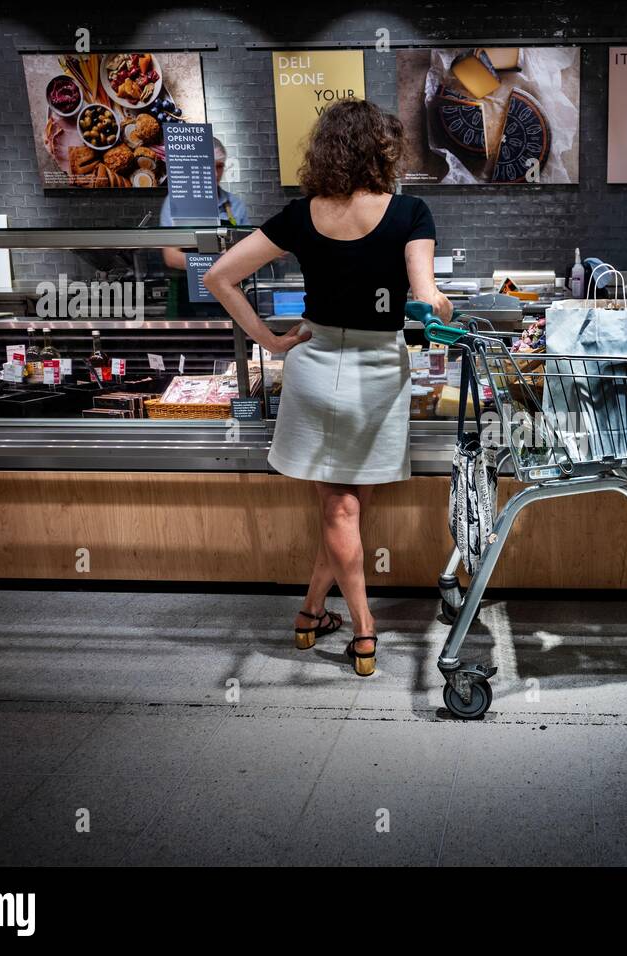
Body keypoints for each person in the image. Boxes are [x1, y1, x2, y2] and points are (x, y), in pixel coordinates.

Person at [204, 100, 452, 676]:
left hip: (315, 366)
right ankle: (366, 632)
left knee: (342, 507)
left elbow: (220, 275)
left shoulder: (299, 214)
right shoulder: (411, 212)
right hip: (378, 373)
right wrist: (439, 309)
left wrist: (268, 341)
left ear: (326, 151)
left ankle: (311, 613)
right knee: (345, 507)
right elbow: (424, 292)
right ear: (383, 150)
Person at [160, 138, 250, 317]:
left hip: (227, 296)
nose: (215, 174)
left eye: (219, 166)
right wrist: (217, 264)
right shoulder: (174, 204)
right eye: (210, 167)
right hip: (187, 298)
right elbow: (171, 257)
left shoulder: (235, 205)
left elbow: (246, 251)